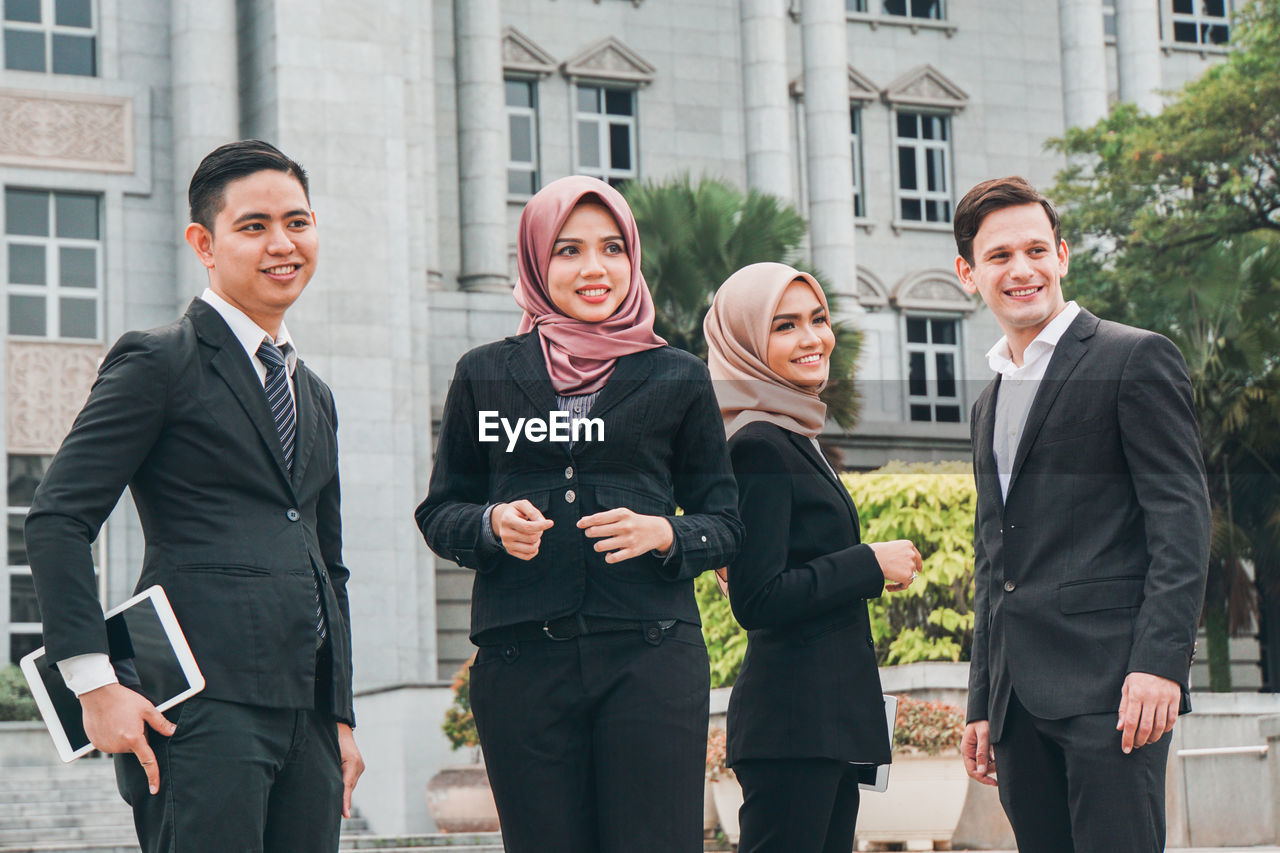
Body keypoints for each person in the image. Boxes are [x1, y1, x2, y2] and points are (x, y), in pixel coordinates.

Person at [25, 140, 363, 853]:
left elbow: (326, 565)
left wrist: (342, 716)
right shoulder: (159, 361)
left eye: (298, 222)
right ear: (204, 244)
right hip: (201, 712)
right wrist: (93, 684)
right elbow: (59, 516)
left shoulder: (316, 394)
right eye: (254, 225)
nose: (283, 243)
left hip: (308, 720)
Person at [415, 175, 742, 853]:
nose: (595, 268)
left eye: (612, 248)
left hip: (650, 657)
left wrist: (666, 532)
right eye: (568, 250)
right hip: (520, 660)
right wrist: (490, 523)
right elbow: (441, 508)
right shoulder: (484, 373)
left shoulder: (678, 375)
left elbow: (727, 521)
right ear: (536, 260)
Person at [954, 176, 1210, 852]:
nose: (1022, 269)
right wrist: (983, 702)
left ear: (1063, 255)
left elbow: (1181, 522)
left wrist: (1161, 663)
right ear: (968, 273)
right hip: (1018, 709)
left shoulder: (1134, 358)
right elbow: (993, 563)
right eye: (999, 255)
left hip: (1113, 693)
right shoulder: (989, 402)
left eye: (1037, 249)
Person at [703, 262, 922, 853]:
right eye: (785, 326)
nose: (812, 338)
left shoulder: (793, 435)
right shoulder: (758, 444)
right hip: (793, 727)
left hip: (820, 725)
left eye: (818, 320)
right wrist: (867, 564)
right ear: (746, 342)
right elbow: (758, 598)